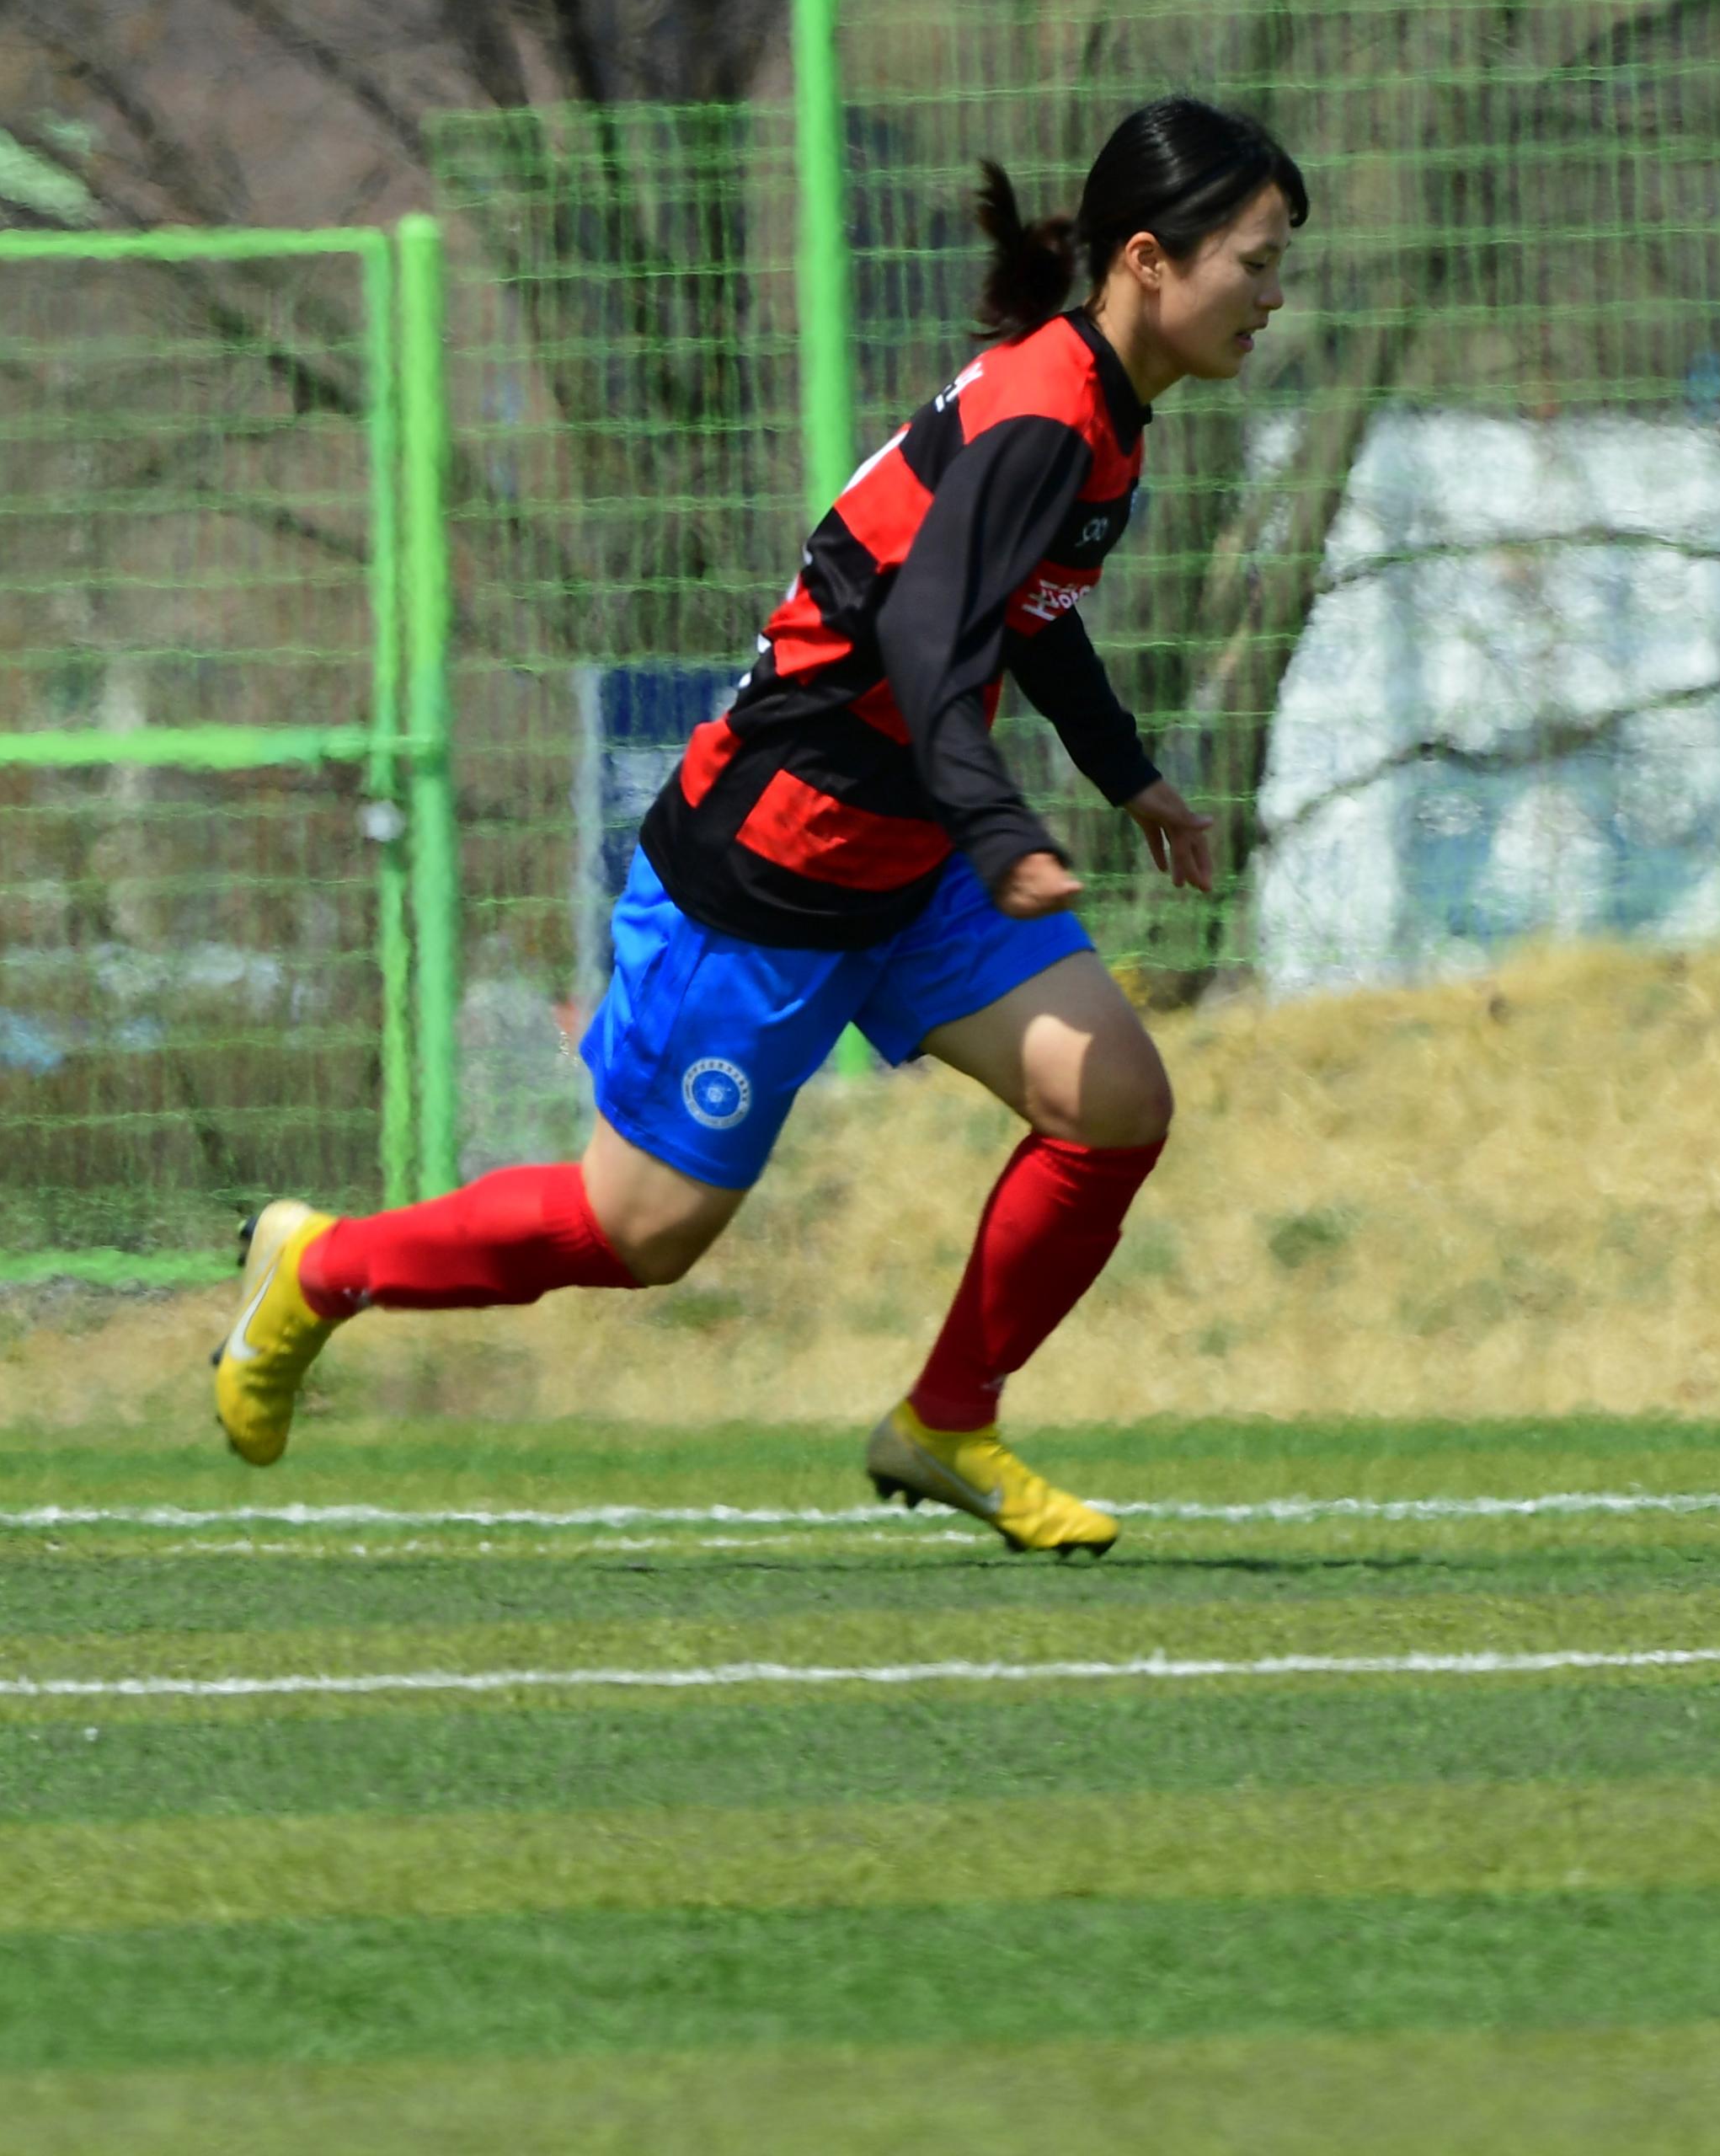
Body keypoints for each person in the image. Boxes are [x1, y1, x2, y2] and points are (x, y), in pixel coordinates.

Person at [212, 100, 1307, 1549]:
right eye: (1257, 258)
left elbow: (1020, 616)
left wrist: (1126, 774)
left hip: (908, 850)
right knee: (639, 1233)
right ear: (1153, 261)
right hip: (773, 862)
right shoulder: (1049, 414)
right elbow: (925, 628)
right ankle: (322, 1266)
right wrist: (996, 821)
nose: (1275, 295)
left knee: (1111, 1104)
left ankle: (946, 1422)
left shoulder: (1097, 410)